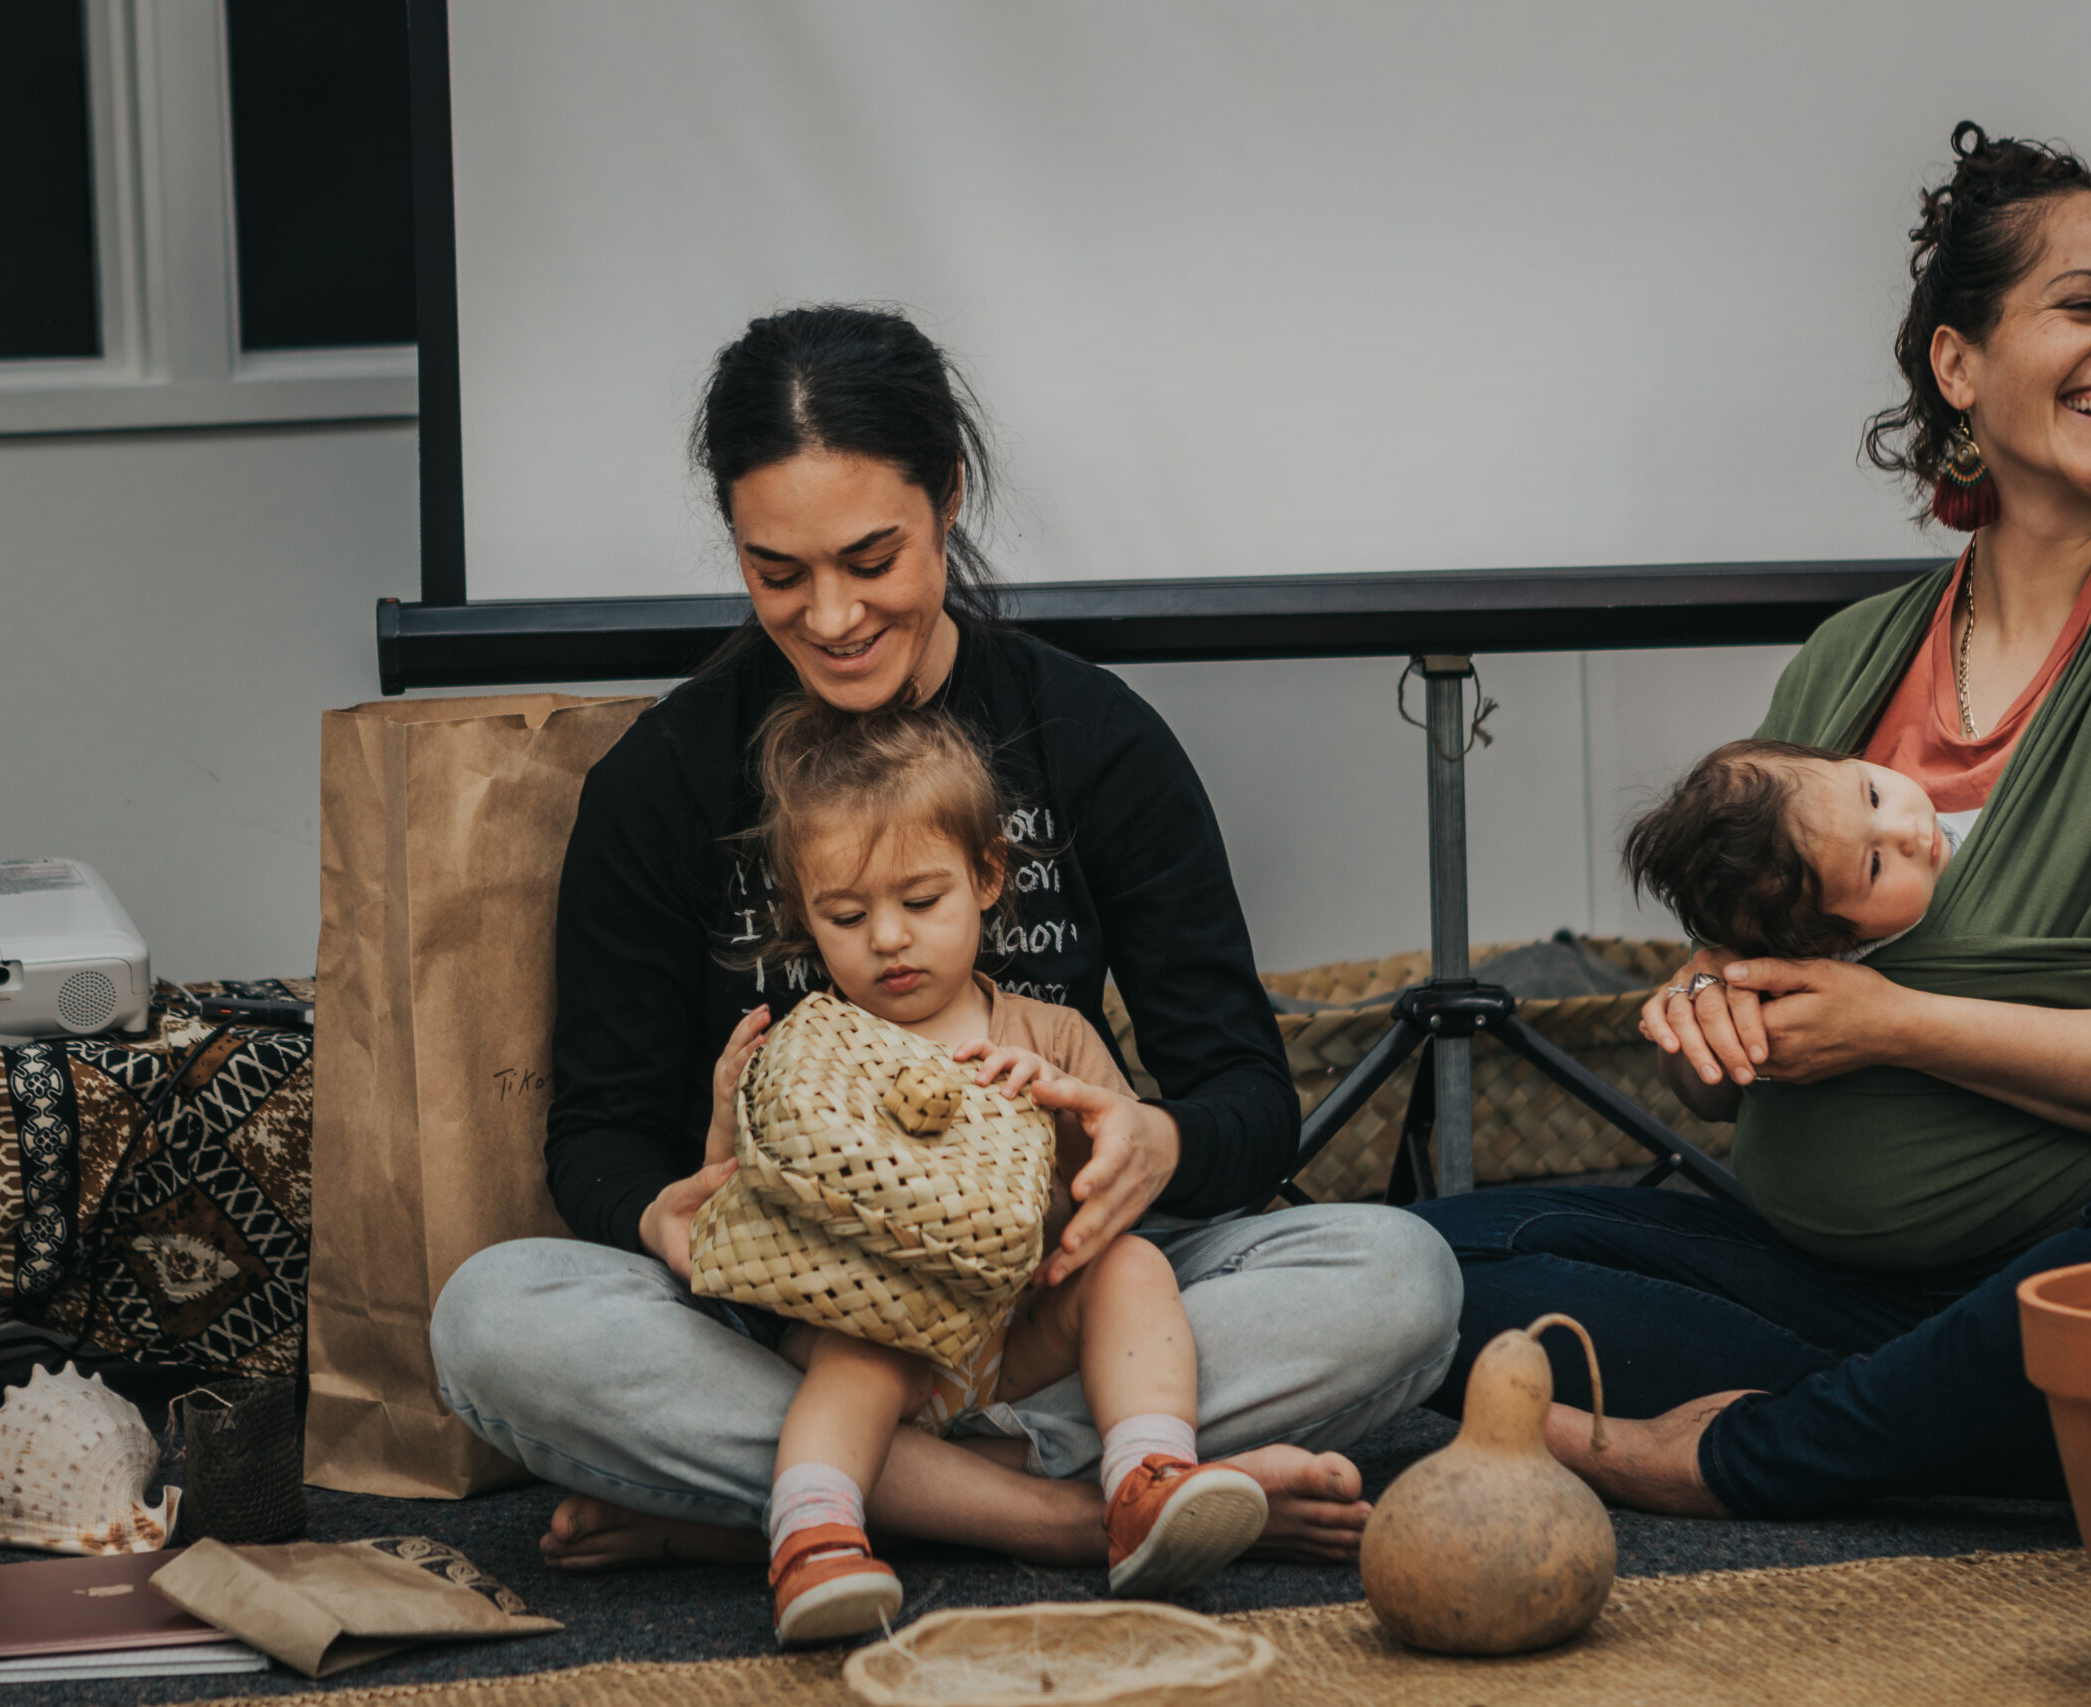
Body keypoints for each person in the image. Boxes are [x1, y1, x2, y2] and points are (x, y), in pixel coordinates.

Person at [1412, 122, 2091, 1519]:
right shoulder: (1846, 659)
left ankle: (1733, 1452)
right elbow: (1743, 1036)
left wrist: (1893, 1024)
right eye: (2086, 305)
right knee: (1429, 1261)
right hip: (1838, 1282)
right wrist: (1719, 1022)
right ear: (1958, 362)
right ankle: (1931, 1421)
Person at [429, 305, 1460, 1572]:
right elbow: (596, 1134)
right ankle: (1086, 1510)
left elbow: (1246, 1101)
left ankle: (795, 1495)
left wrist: (1155, 1142)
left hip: (1056, 1296)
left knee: (1398, 1276)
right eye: (778, 572)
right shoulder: (666, 778)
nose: (832, 616)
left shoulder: (1093, 739)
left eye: (873, 558)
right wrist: (662, 1219)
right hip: (795, 1319)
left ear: (950, 497)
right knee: (497, 1322)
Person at [720, 702, 1293, 1641]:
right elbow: (734, 1219)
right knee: (859, 1353)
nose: (890, 938)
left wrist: (1069, 1113)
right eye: (847, 915)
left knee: (1139, 1270)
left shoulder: (1050, 1032)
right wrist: (727, 1111)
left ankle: (1147, 1474)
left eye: (921, 901)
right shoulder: (810, 1047)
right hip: (882, 1337)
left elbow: (1113, 1202)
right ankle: (814, 1533)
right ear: (803, 918)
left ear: (987, 878)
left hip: (1023, 1334)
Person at [1620, 737, 2091, 1249]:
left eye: (1874, 794)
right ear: (1832, 943)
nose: (1907, 831)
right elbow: (1727, 1057)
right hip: (1978, 1157)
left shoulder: (1988, 827)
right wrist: (1711, 989)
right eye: (1876, 868)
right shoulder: (1816, 949)